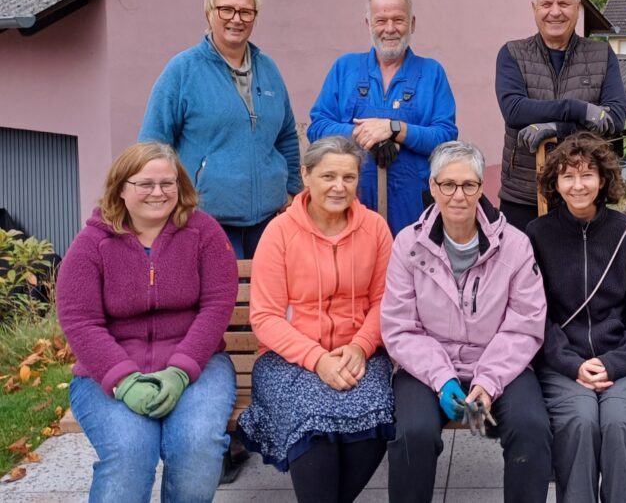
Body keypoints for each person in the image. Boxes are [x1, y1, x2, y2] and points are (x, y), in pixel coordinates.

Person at [56, 142, 238, 502]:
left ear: (180, 186)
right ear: (122, 189)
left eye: (167, 183)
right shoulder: (92, 242)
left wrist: (180, 370)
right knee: (129, 452)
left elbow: (217, 307)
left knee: (197, 445)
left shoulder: (204, 233)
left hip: (196, 364)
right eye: (145, 184)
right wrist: (123, 381)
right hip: (109, 369)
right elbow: (80, 321)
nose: (158, 192)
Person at [381, 141, 551, 503]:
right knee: (415, 433)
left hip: (498, 362)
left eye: (469, 185)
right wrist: (442, 380)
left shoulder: (515, 246)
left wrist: (488, 383)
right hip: (426, 366)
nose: (458, 195)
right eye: (448, 184)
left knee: (531, 427)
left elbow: (525, 323)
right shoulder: (408, 245)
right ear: (433, 187)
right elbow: (400, 326)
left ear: (480, 188)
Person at [238, 136, 394, 502]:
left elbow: (384, 302)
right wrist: (317, 359)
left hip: (359, 356)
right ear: (306, 175)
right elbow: (265, 316)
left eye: (349, 177)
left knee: (375, 421)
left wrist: (360, 346)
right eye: (328, 176)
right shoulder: (279, 232)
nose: (339, 187)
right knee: (313, 428)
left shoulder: (375, 229)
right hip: (288, 360)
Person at [525, 132, 626, 503]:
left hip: (624, 361)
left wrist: (614, 362)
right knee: (579, 422)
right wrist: (571, 364)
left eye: (587, 174)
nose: (578, 185)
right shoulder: (537, 235)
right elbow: (534, 314)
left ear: (603, 180)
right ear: (555, 182)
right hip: (562, 363)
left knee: (622, 423)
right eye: (568, 176)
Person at [139, 0, 302, 259]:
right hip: (206, 217)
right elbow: (153, 144)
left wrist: (291, 191)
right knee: (226, 298)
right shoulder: (183, 70)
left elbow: (286, 134)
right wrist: (164, 202)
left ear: (254, 17)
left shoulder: (269, 68)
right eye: (226, 9)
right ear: (209, 13)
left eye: (245, 12)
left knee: (266, 299)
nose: (236, 19)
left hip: (269, 219)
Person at [308, 0, 458, 235]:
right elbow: (318, 127)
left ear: (412, 24)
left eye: (398, 20)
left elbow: (445, 136)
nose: (390, 29)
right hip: (351, 200)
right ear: (368, 24)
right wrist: (366, 133)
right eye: (381, 20)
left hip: (414, 203)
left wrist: (395, 129)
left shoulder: (431, 72)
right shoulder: (345, 68)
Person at [496, 0, 626, 231]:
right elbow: (514, 111)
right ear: (534, 9)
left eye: (564, 4)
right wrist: (577, 109)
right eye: (546, 4)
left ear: (577, 8)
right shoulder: (512, 53)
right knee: (521, 270)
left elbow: (614, 120)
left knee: (579, 270)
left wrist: (556, 129)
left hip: (583, 194)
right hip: (523, 194)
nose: (555, 12)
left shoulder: (601, 55)